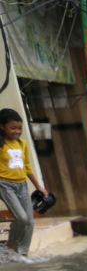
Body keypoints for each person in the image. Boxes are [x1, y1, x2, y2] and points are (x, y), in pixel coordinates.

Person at [0, 108, 43, 257]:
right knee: (21, 218)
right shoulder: (1, 144)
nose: (17, 131)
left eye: (19, 128)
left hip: (22, 185)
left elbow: (27, 167)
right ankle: (11, 244)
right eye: (13, 128)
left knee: (30, 221)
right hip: (4, 185)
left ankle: (23, 252)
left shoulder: (22, 144)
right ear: (2, 126)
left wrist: (39, 187)